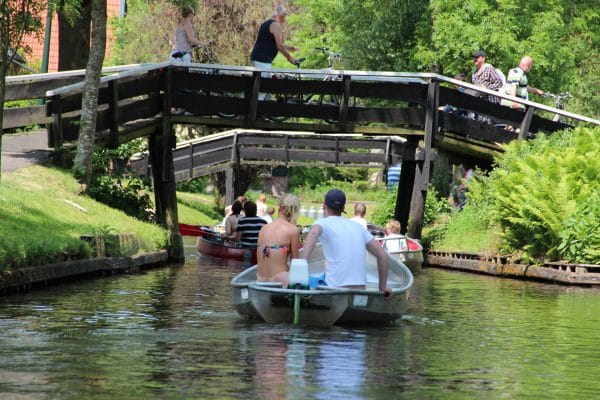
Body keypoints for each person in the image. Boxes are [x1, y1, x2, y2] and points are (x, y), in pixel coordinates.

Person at [301, 188, 392, 297]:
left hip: (334, 289)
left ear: (324, 205)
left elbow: (314, 233)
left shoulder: (322, 223)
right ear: (343, 208)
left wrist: (301, 265)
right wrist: (382, 287)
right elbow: (382, 255)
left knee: (284, 277)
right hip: (360, 291)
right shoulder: (358, 227)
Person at [256, 194, 301, 286]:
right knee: (302, 277)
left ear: (279, 208)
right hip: (279, 280)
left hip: (260, 279)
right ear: (294, 211)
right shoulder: (293, 230)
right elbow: (295, 264)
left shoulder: (264, 228)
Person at [250, 5, 297, 69]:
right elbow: (279, 46)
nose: (285, 18)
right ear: (281, 15)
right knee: (264, 79)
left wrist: (289, 48)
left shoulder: (266, 23)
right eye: (285, 15)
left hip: (257, 58)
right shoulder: (276, 25)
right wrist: (290, 58)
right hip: (262, 61)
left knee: (258, 79)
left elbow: (270, 43)